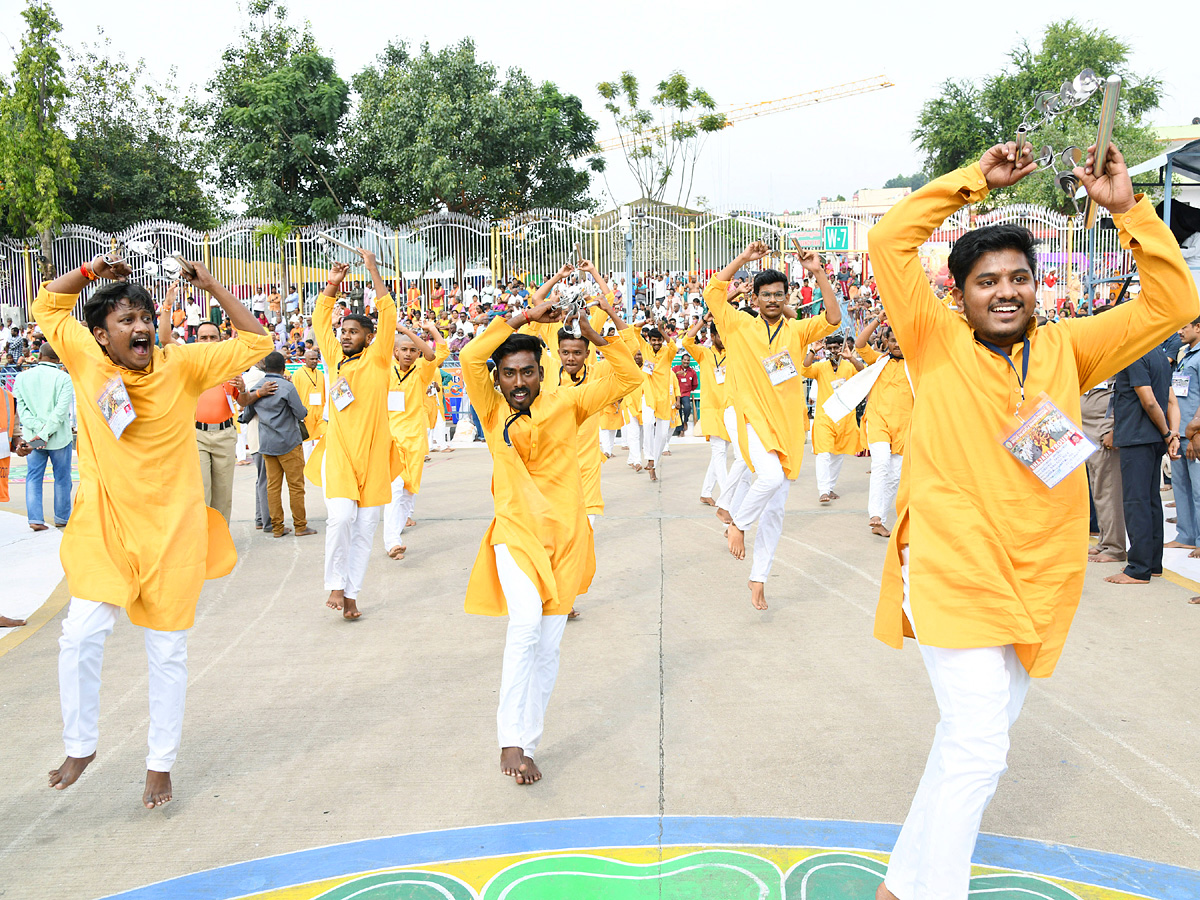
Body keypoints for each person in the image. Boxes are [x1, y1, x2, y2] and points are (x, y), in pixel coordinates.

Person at [868, 141, 1197, 900]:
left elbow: (1175, 307)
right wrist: (970, 185)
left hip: (1040, 577)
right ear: (959, 296)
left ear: (1038, 286)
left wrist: (1127, 210)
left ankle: (900, 885)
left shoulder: (1067, 348)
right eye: (987, 281)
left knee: (966, 744)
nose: (1006, 292)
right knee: (982, 749)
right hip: (954, 571)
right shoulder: (933, 341)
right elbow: (890, 240)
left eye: (1019, 277)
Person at [34, 252, 271, 809]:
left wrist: (210, 282)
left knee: (167, 651)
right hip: (106, 526)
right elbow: (49, 302)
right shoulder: (84, 361)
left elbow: (257, 342)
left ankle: (160, 762)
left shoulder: (182, 364)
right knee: (80, 634)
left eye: (145, 317)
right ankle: (80, 745)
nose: (140, 327)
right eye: (125, 320)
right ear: (100, 335)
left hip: (171, 532)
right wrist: (92, 270)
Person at [460, 293, 640, 786]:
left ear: (544, 372)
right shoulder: (491, 409)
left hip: (567, 539)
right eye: (509, 373)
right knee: (525, 625)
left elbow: (630, 379)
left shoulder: (569, 403)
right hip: (515, 536)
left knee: (548, 649)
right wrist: (523, 318)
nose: (519, 382)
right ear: (498, 378)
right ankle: (509, 742)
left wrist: (599, 338)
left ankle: (529, 744)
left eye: (528, 372)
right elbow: (471, 356)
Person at [706, 243, 841, 611]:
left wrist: (818, 273)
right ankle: (736, 521)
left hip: (786, 424)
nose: (772, 300)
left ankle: (758, 577)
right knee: (768, 478)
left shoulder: (796, 330)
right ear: (754, 296)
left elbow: (833, 318)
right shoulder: (736, 323)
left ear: (786, 297)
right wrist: (745, 260)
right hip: (745, 414)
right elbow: (713, 291)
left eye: (778, 295)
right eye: (766, 294)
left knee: (777, 509)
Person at [304, 252, 399, 620]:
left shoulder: (377, 359)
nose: (344, 335)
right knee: (341, 519)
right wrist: (333, 282)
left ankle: (353, 595)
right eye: (343, 330)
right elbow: (318, 320)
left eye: (353, 331)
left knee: (364, 531)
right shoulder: (332, 359)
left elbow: (388, 313)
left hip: (375, 456)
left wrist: (373, 269)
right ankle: (335, 584)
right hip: (340, 453)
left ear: (369, 337)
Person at [1108, 346, 1180, 584]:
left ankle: (1138, 569)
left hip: (1137, 437)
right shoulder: (1159, 354)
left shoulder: (1135, 353)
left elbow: (1148, 401)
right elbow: (1171, 400)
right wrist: (1170, 434)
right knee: (1150, 502)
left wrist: (1167, 432)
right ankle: (1152, 564)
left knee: (1135, 502)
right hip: (1152, 438)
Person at [382, 320, 447, 560]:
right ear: (395, 351)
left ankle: (396, 530)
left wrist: (408, 331)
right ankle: (392, 541)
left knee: (409, 491)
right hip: (391, 441)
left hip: (415, 440)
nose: (408, 354)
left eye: (413, 350)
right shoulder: (385, 369)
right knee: (396, 488)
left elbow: (433, 354)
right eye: (403, 349)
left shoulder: (422, 369)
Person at [242, 351, 315, 539]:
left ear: (265, 366)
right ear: (284, 368)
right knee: (296, 486)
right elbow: (300, 413)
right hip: (289, 442)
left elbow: (246, 415)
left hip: (267, 444)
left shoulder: (258, 387)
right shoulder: (287, 387)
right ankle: (300, 526)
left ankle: (277, 527)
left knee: (272, 487)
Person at [854, 314, 913, 537]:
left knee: (896, 475)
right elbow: (860, 344)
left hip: (905, 426)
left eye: (901, 340)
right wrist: (879, 319)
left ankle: (880, 523)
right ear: (886, 342)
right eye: (893, 340)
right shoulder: (879, 360)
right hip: (878, 421)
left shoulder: (915, 366)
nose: (897, 344)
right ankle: (875, 514)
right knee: (881, 463)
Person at [12, 342, 75, 531]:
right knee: (62, 478)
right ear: (58, 359)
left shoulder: (21, 378)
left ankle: (35, 519)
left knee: (33, 477)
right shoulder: (64, 378)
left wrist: (38, 433)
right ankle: (62, 517)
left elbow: (21, 410)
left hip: (32, 439)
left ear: (39, 356)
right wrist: (45, 433)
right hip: (58, 438)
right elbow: (61, 413)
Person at [191, 320, 245, 524]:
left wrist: (244, 388)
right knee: (201, 493)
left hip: (224, 435)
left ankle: (220, 541)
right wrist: (168, 306)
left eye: (213, 337)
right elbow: (167, 338)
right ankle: (202, 541)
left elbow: (242, 401)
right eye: (203, 337)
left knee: (223, 494)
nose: (208, 341)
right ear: (196, 340)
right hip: (197, 436)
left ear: (221, 339)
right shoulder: (189, 365)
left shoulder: (231, 367)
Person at [801, 335, 864, 502]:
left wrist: (851, 357)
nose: (833, 351)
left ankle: (829, 488)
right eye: (830, 348)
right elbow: (804, 369)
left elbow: (863, 371)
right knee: (824, 454)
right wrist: (813, 350)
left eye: (836, 348)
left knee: (838, 456)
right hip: (824, 417)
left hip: (844, 418)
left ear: (842, 348)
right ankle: (823, 490)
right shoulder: (820, 367)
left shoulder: (849, 366)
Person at [683, 314, 731, 507]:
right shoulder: (703, 353)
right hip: (711, 408)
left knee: (720, 453)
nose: (724, 339)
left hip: (729, 408)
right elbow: (686, 340)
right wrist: (703, 320)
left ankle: (706, 492)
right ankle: (728, 495)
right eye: (720, 335)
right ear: (712, 335)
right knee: (719, 451)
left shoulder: (733, 352)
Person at [1081, 366, 1125, 565]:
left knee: (1109, 492)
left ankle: (1115, 547)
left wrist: (1115, 430)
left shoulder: (1120, 367)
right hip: (1086, 433)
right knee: (1097, 491)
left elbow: (1126, 401)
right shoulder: (1094, 368)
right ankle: (1104, 540)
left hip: (1104, 433)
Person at [1165, 316, 1200, 550]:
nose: (1179, 332)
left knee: (1198, 490)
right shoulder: (1184, 355)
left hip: (1195, 433)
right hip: (1180, 432)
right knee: (1182, 487)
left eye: (1184, 327)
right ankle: (1186, 536)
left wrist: (1195, 430)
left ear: (1198, 327)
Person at [634, 325, 676, 482]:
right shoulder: (645, 349)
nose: (657, 343)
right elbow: (635, 333)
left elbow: (674, 346)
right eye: (654, 340)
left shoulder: (667, 352)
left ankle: (653, 464)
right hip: (649, 395)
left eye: (659, 340)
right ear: (649, 340)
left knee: (663, 435)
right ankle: (649, 458)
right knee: (648, 424)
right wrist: (643, 322)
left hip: (664, 398)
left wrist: (663, 331)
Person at [294, 348, 327, 459]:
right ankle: (307, 466)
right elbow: (295, 395)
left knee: (321, 439)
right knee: (307, 441)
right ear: (305, 360)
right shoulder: (298, 374)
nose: (314, 361)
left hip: (320, 413)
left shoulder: (321, 374)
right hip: (306, 413)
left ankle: (318, 464)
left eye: (316, 359)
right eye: (311, 359)